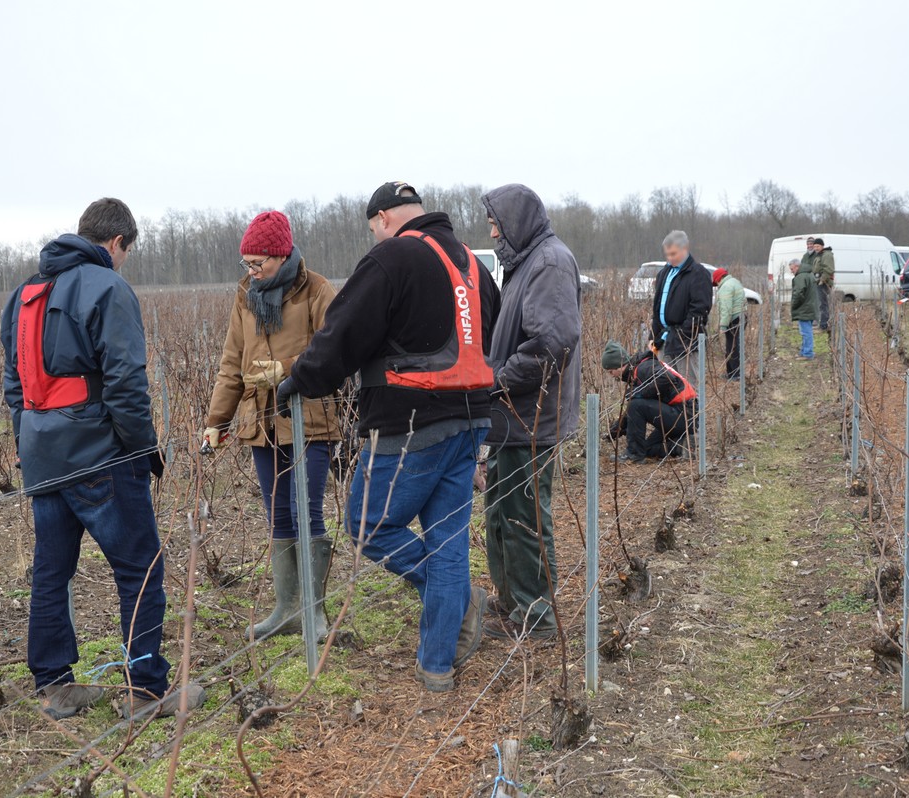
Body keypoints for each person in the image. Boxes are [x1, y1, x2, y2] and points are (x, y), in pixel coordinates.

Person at [276, 182, 500, 692]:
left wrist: (301, 379)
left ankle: (459, 599)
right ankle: (436, 667)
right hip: (472, 421)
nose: (375, 236)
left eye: (372, 227)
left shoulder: (392, 258)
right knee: (446, 542)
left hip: (410, 423)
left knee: (367, 524)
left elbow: (342, 334)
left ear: (382, 218)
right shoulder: (473, 264)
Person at [1, 198, 204, 721]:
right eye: (126, 253)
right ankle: (146, 692)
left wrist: (30, 442)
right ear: (116, 244)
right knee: (140, 568)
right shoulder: (109, 287)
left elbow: (14, 384)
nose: (123, 261)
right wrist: (143, 450)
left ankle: (55, 688)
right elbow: (126, 384)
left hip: (43, 459)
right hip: (100, 458)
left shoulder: (24, 294)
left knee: (52, 572)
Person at [203, 211, 340, 640]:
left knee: (307, 511)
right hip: (258, 422)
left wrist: (284, 370)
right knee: (278, 514)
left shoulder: (316, 290)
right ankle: (286, 609)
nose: (251, 270)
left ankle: (314, 613)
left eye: (258, 262)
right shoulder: (246, 294)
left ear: (281, 255)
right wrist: (216, 420)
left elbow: (334, 352)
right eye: (246, 263)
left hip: (309, 418)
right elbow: (231, 363)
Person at [480, 184, 582, 641]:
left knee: (525, 519)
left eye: (496, 225)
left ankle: (536, 615)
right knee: (501, 512)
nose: (493, 234)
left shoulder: (548, 262)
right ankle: (512, 602)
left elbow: (551, 343)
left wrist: (497, 379)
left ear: (515, 223)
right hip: (512, 417)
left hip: (531, 418)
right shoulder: (524, 263)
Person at [604, 341, 696, 464]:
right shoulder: (637, 370)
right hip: (680, 414)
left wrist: (639, 392)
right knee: (647, 448)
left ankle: (634, 454)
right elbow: (637, 403)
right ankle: (681, 446)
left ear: (620, 365)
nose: (612, 376)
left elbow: (666, 378)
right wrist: (616, 429)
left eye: (611, 372)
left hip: (686, 413)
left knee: (635, 404)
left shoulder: (644, 367)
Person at [650, 230, 712, 388]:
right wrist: (654, 334)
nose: (670, 258)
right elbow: (657, 307)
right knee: (666, 388)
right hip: (664, 341)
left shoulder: (699, 274)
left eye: (673, 254)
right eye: (667, 254)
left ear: (685, 249)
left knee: (689, 388)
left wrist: (681, 335)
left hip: (686, 343)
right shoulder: (663, 273)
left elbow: (699, 310)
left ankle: (692, 414)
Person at [712, 267, 747, 380]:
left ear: (719, 278)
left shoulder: (725, 287)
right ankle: (735, 373)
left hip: (734, 319)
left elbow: (726, 309)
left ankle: (734, 375)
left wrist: (723, 325)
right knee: (736, 345)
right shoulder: (735, 282)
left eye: (716, 282)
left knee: (731, 347)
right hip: (742, 316)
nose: (716, 285)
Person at [790, 257, 818, 359]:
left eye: (792, 269)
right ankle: (804, 351)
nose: (791, 271)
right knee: (807, 330)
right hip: (810, 306)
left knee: (806, 332)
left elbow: (798, 293)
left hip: (804, 308)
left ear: (797, 266)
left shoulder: (800, 277)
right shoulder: (808, 274)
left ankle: (807, 353)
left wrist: (794, 304)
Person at [812, 237, 836, 331]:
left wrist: (822, 280)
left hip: (824, 282)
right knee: (820, 303)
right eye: (815, 246)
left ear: (822, 246)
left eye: (817, 246)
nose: (816, 248)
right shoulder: (820, 255)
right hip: (819, 281)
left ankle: (824, 324)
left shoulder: (827, 255)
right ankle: (822, 322)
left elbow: (828, 269)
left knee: (823, 303)